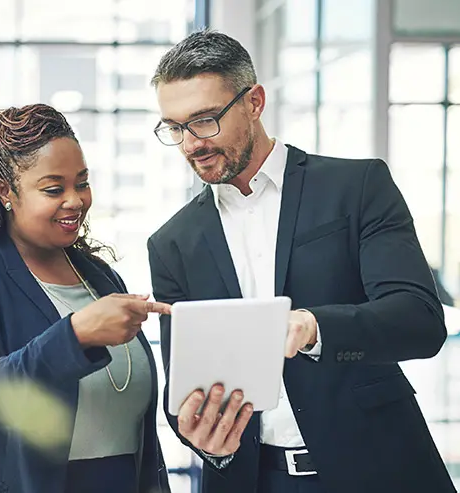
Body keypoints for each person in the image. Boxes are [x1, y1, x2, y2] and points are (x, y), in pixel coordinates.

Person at [146, 30, 454, 493]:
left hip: (378, 470)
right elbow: (185, 393)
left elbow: (420, 321)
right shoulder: (171, 243)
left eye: (205, 120)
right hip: (253, 482)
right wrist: (204, 439)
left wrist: (314, 327)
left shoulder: (357, 187)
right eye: (175, 127)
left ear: (254, 102)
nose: (190, 144)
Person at [0, 103, 172, 493]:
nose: (75, 200)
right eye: (54, 189)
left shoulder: (100, 277)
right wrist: (76, 334)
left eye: (82, 183)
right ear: (6, 191)